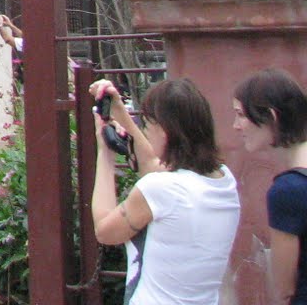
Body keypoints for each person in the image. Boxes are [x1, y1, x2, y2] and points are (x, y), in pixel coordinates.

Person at [90, 76, 240, 305]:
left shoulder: (161, 190)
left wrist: (105, 154)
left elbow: (104, 231)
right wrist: (119, 110)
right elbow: (151, 165)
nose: (146, 132)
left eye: (148, 125)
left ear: (166, 131)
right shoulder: (224, 180)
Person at [233, 67, 307, 304]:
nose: (236, 125)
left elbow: (284, 290)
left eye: (241, 115)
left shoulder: (288, 190)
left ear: (272, 117)